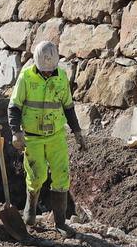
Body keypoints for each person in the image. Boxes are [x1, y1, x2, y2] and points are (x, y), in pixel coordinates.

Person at [8, 40, 86, 236]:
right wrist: (16, 132)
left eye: (50, 70)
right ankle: (30, 209)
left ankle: (60, 223)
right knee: (37, 175)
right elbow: (14, 106)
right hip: (32, 137)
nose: (47, 73)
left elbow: (68, 107)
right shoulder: (26, 77)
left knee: (61, 175)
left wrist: (77, 131)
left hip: (56, 136)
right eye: (44, 71)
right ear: (36, 63)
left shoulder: (61, 78)